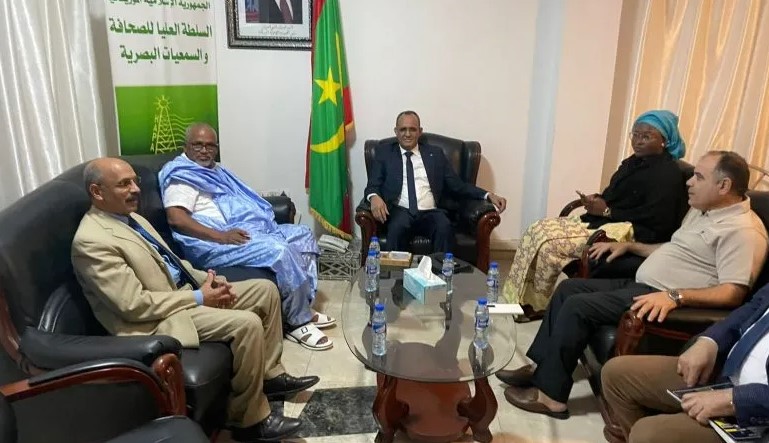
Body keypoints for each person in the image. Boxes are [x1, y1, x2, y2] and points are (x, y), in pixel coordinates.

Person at [497, 151, 768, 420]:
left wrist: (675, 296)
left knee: (578, 306)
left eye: (698, 177)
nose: (689, 182)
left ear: (724, 185)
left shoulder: (743, 232)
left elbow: (733, 293)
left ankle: (551, 397)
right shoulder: (704, 210)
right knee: (569, 288)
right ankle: (542, 368)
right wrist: (631, 246)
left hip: (662, 299)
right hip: (644, 283)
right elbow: (676, 250)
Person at [72, 158, 319, 442]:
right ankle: (249, 420)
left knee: (265, 290)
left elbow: (172, 263)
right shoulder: (92, 241)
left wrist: (209, 280)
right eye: (123, 184)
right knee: (247, 324)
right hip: (157, 319)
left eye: (135, 181)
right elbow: (134, 305)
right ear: (97, 192)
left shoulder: (133, 218)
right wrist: (200, 297)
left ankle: (270, 376)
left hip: (181, 294)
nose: (136, 189)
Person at [159, 123, 333, 351]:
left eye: (210, 146)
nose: (204, 151)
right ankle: (297, 322)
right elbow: (177, 219)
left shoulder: (215, 170)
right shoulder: (182, 177)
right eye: (198, 145)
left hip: (236, 230)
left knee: (303, 235)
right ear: (186, 147)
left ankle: (301, 307)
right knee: (280, 251)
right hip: (211, 243)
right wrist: (221, 236)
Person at [503, 110, 689, 320]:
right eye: (635, 134)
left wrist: (608, 211)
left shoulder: (667, 174)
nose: (638, 141)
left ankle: (537, 306)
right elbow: (617, 195)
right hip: (608, 221)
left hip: (630, 234)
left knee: (550, 244)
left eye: (646, 136)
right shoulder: (634, 162)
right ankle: (516, 299)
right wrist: (597, 200)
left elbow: (655, 219)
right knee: (536, 229)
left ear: (665, 140)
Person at [602, 282, 769, 443]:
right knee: (616, 373)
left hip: (756, 408)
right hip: (728, 375)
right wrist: (710, 341)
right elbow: (753, 307)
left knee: (648, 434)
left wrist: (734, 400)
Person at [364, 110, 507, 252]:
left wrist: (488, 195)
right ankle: (394, 267)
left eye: (412, 129)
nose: (407, 134)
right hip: (400, 211)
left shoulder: (435, 154)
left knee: (444, 226)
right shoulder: (384, 153)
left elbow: (458, 185)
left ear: (420, 131)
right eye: (403, 129)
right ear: (396, 131)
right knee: (396, 228)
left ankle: (442, 267)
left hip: (430, 212)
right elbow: (372, 185)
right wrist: (374, 196)